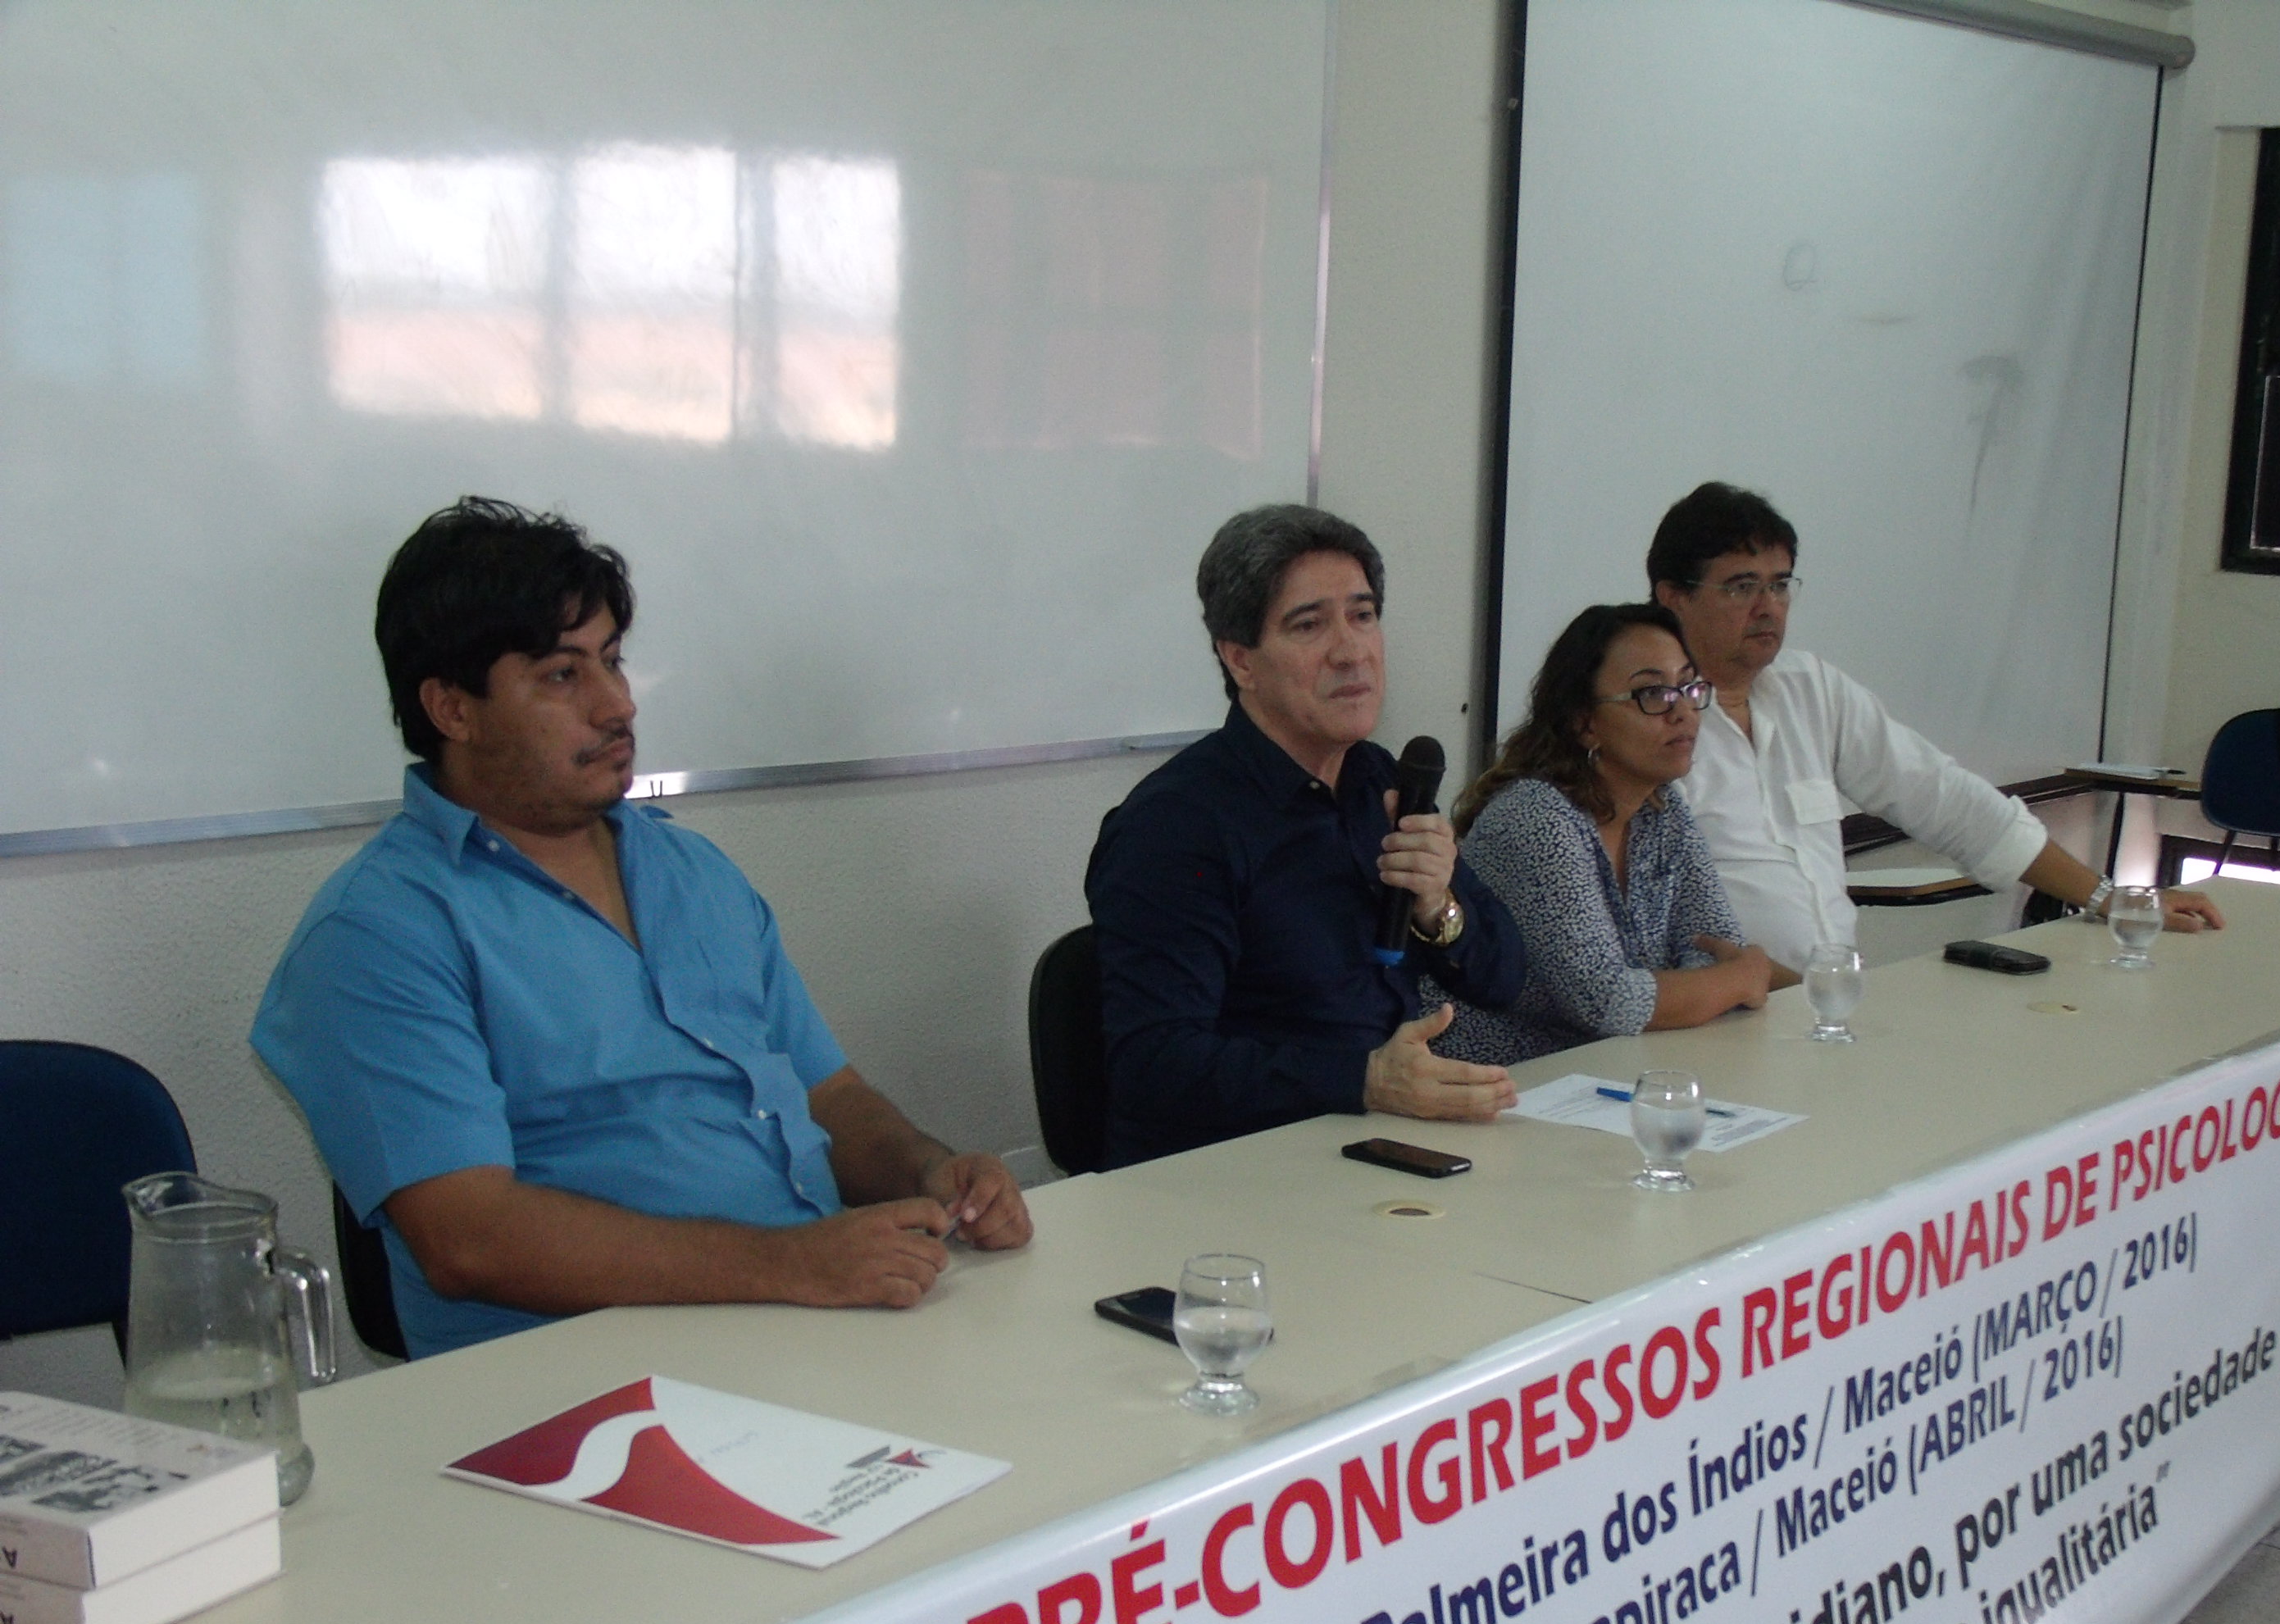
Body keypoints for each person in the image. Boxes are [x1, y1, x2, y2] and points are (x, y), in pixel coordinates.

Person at [253, 498, 1030, 1358]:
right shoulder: (376, 934)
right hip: (575, 1381)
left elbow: (829, 1097)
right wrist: (791, 1264)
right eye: (562, 675)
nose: (616, 704)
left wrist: (929, 1170)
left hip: (803, 1325)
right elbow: (467, 1239)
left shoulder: (693, 872)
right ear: (453, 709)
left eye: (613, 661)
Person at [1086, 504, 1527, 1166]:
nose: (1352, 651)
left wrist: (1439, 907)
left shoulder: (1381, 782)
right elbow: (1155, 1065)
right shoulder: (1175, 827)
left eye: (1363, 615)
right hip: (1234, 1174)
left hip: (1377, 1148)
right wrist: (1364, 1080)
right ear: (1241, 660)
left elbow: (1506, 978)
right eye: (1309, 625)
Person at [1646, 483, 2223, 968]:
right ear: (1673, 597)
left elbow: (1945, 799)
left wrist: (2109, 899)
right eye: (1742, 587)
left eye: (1779, 584)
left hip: (1825, 1004)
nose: (1768, 607)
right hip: (1707, 1018)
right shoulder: (1642, 719)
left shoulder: (1810, 689)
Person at [1433, 603, 1786, 1067]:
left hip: (1613, 1068)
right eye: (1653, 693)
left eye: (1688, 686)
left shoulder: (1662, 807)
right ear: (1585, 723)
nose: (1683, 711)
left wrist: (1729, 976)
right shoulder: (1536, 817)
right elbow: (1607, 1002)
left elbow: (1716, 947)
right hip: (1505, 1078)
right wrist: (1743, 978)